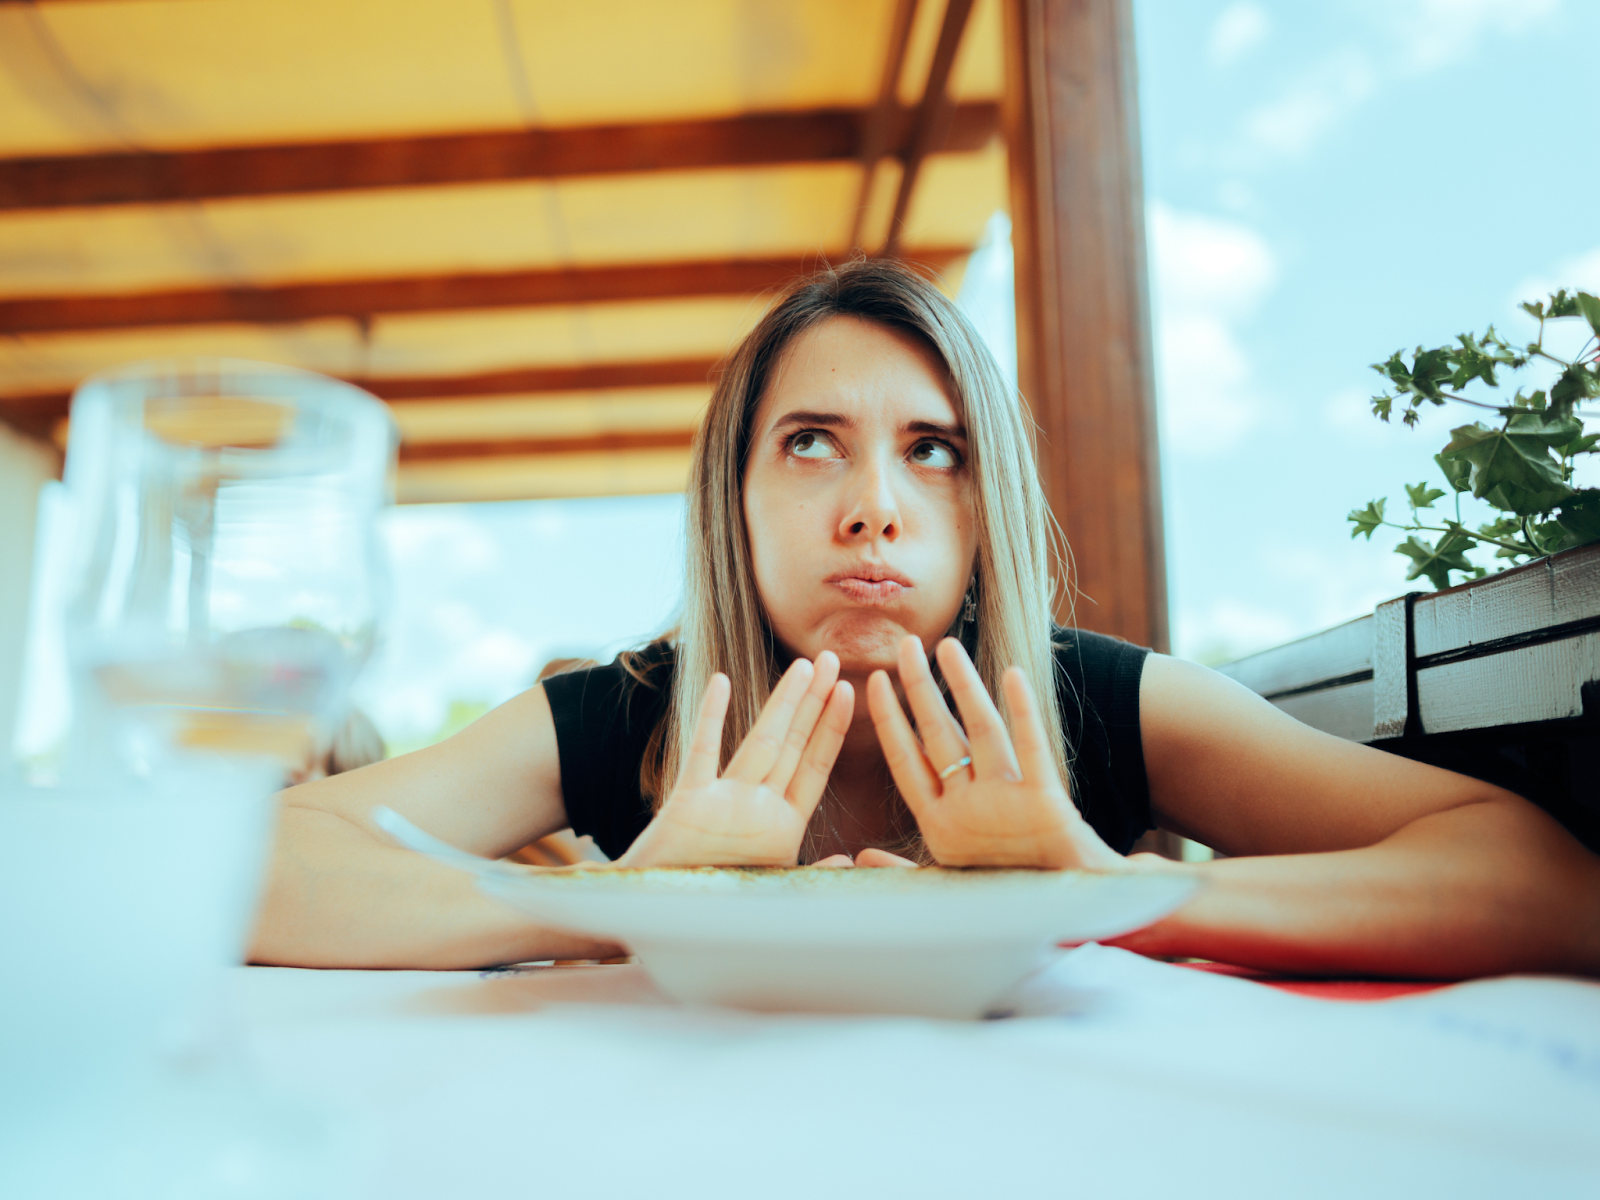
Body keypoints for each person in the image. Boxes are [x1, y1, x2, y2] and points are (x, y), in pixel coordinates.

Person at [251, 259, 1600, 978]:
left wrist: (1113, 892)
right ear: (734, 500)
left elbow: (1546, 885)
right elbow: (247, 867)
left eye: (935, 452)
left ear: (984, 504)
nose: (875, 508)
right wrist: (630, 900)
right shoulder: (628, 716)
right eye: (812, 445)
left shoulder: (1104, 701)